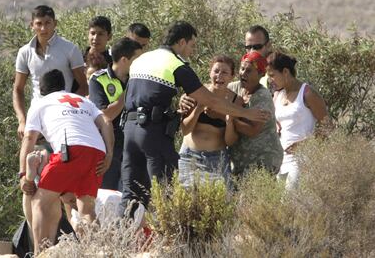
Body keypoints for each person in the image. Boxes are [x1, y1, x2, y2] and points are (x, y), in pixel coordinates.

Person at [118, 21, 269, 218]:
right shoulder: (176, 64)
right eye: (192, 45)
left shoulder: (141, 59)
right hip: (152, 133)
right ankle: (170, 243)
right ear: (182, 42)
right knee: (167, 192)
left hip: (129, 130)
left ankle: (123, 239)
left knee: (131, 192)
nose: (192, 50)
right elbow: (210, 100)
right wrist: (247, 113)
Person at [18, 69, 114, 254]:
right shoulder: (84, 101)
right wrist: (109, 154)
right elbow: (106, 121)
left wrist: (23, 174)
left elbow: (29, 138)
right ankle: (99, 252)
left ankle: (40, 254)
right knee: (86, 210)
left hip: (70, 150)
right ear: (64, 86)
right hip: (97, 152)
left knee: (39, 202)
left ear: (41, 89)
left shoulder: (40, 103)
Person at [13, 5, 86, 239]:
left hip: (61, 121)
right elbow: (18, 89)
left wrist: (72, 114)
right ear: (32, 25)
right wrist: (22, 119)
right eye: (38, 23)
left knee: (65, 184)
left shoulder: (69, 49)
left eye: (47, 23)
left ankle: (76, 237)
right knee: (30, 181)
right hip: (37, 121)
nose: (43, 28)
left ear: (55, 23)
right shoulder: (25, 52)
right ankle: (38, 241)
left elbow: (82, 85)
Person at [267, 51, 329, 190]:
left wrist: (304, 144)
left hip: (302, 160)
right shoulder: (277, 95)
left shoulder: (307, 93)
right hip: (280, 161)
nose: (270, 80)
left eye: (272, 75)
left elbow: (328, 127)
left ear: (285, 72)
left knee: (290, 204)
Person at [89, 37, 143, 190]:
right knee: (108, 195)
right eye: (137, 59)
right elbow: (104, 116)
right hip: (109, 149)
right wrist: (127, 94)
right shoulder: (99, 80)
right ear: (125, 60)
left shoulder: (141, 79)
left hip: (135, 147)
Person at [179, 55, 239, 187]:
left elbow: (231, 141)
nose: (219, 76)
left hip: (217, 159)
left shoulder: (236, 101)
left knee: (221, 202)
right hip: (189, 157)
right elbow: (185, 130)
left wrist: (228, 121)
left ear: (232, 76)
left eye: (224, 72)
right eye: (216, 71)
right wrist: (198, 110)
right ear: (209, 72)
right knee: (187, 201)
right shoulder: (195, 93)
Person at [228, 51, 283, 176]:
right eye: (242, 69)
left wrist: (231, 118)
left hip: (263, 161)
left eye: (249, 71)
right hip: (240, 163)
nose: (243, 73)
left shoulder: (262, 97)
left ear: (260, 74)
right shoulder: (234, 88)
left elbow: (252, 131)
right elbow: (212, 91)